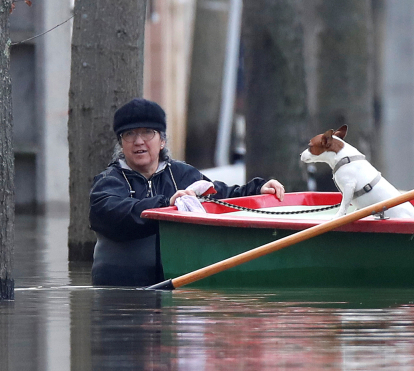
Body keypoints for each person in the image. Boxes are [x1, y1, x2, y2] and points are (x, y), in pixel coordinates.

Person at [89, 97, 287, 286]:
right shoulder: (109, 181)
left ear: (162, 141)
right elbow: (111, 212)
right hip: (119, 292)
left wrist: (257, 189)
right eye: (129, 134)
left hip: (176, 288)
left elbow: (219, 196)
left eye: (148, 132)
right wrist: (166, 206)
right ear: (121, 144)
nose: (139, 141)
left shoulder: (181, 174)